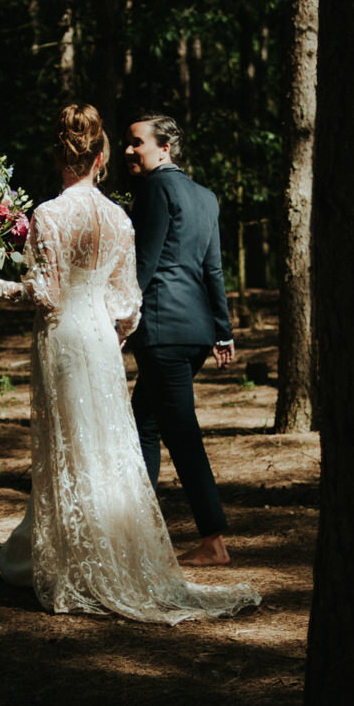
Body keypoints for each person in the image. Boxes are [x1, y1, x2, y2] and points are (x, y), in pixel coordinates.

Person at [0, 105, 258, 624]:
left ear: (59, 157)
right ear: (100, 157)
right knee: (114, 439)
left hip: (73, 336)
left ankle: (88, 552)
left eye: (135, 143)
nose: (123, 152)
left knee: (74, 441)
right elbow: (133, 298)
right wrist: (118, 333)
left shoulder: (51, 214)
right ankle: (114, 541)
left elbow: (46, 292)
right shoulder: (128, 215)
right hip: (108, 334)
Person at [123, 114, 235, 567]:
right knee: (145, 427)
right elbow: (213, 269)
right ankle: (142, 535)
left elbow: (145, 262)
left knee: (179, 435)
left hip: (162, 329)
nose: (129, 151)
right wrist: (223, 330)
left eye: (136, 143)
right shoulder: (205, 196)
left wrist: (120, 321)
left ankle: (212, 540)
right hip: (196, 332)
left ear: (164, 147)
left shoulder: (154, 188)